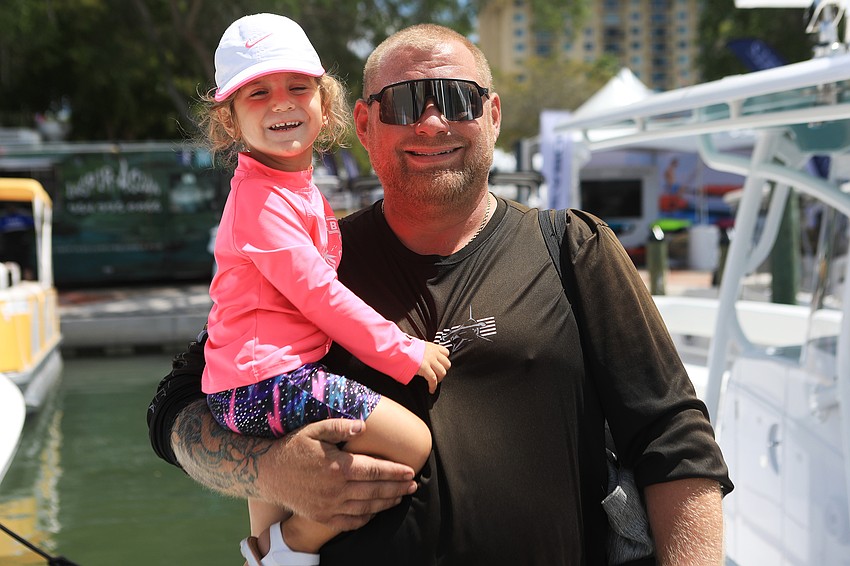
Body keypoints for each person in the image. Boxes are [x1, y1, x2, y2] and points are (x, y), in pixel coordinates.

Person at [148, 23, 733, 565]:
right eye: (404, 102)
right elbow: (175, 409)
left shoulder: (574, 247)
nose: (431, 122)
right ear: (363, 123)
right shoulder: (313, 256)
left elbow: (672, 437)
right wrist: (270, 472)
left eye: (456, 98)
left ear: (494, 115)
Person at [195, 13, 450, 566]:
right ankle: (299, 542)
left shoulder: (285, 188)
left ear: (324, 104)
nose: (281, 102)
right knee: (412, 443)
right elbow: (319, 295)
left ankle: (265, 554)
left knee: (268, 505)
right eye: (257, 93)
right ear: (229, 122)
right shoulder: (262, 205)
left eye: (297, 87)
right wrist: (403, 351)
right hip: (271, 384)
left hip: (242, 385)